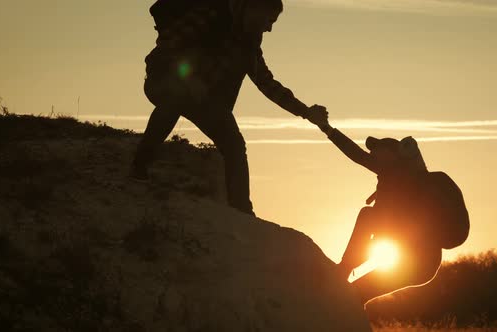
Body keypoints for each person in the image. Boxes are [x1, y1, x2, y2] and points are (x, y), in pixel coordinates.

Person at [131, 0, 328, 216]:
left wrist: (305, 111)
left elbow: (267, 83)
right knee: (174, 100)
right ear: (254, 7)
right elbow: (169, 46)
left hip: (205, 99)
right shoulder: (211, 13)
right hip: (165, 81)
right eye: (269, 20)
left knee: (234, 145)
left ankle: (242, 209)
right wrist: (188, 78)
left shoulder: (249, 43)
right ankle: (139, 168)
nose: (269, 28)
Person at [309, 116, 469, 304]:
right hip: (415, 261)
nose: (373, 156)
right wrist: (327, 129)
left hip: (420, 261)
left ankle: (344, 270)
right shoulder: (394, 176)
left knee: (367, 216)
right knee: (355, 294)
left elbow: (359, 156)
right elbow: (357, 154)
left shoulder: (422, 181)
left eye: (378, 152)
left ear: (395, 156)